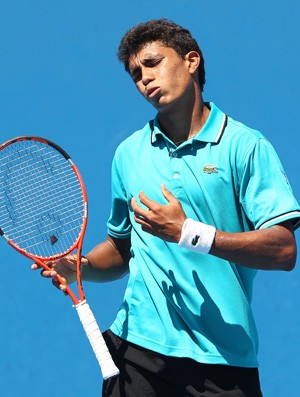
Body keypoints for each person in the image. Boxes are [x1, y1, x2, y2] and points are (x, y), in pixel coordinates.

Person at [34, 19, 300, 397]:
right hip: (137, 348)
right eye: (136, 74)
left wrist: (187, 232)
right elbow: (123, 248)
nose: (145, 78)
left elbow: (283, 250)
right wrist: (80, 268)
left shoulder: (246, 146)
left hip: (224, 359)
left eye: (154, 63)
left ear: (191, 61)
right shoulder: (129, 154)